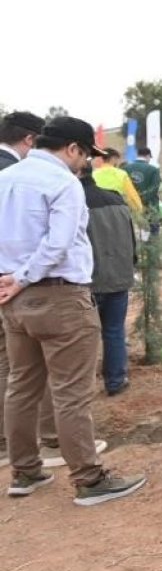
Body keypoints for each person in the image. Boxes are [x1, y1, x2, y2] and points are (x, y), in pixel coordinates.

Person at [0, 116, 147, 505]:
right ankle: (89, 479)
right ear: (72, 148)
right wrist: (23, 277)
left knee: (21, 386)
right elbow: (59, 243)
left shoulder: (5, 179)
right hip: (59, 297)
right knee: (70, 393)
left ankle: (25, 471)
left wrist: (12, 279)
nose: (85, 163)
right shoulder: (63, 183)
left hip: (14, 301)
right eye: (85, 155)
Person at [0, 111, 58, 468]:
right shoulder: (16, 175)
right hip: (17, 284)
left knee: (9, 367)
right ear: (30, 140)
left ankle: (8, 445)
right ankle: (49, 439)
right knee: (31, 366)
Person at [80, 162, 137, 396]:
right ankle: (115, 381)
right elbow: (131, 239)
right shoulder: (117, 200)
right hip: (119, 276)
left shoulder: (72, 201)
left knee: (81, 337)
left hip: (88, 281)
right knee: (114, 331)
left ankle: (80, 389)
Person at [91, 148, 143, 214]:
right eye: (117, 159)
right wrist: (138, 208)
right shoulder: (121, 174)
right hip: (116, 209)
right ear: (113, 158)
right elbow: (131, 195)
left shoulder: (93, 174)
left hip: (97, 209)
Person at [124, 146, 162, 232]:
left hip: (131, 206)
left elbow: (124, 188)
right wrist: (143, 199)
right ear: (148, 156)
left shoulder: (126, 168)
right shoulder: (153, 170)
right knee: (153, 231)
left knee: (133, 232)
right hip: (150, 206)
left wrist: (135, 200)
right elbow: (154, 188)